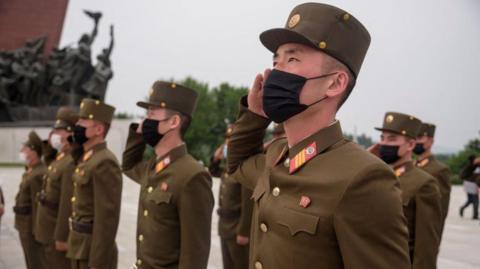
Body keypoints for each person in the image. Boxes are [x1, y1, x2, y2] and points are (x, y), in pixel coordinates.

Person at [227, 3, 411, 268]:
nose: (274, 73)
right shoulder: (277, 156)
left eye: (292, 59)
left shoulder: (363, 178)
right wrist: (255, 116)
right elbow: (237, 164)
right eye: (275, 60)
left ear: (334, 83)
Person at [122, 81, 214, 269]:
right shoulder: (153, 167)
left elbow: (195, 252)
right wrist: (137, 136)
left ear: (174, 122)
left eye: (151, 114)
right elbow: (128, 165)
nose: (145, 122)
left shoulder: (192, 175)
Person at [370, 112, 442, 269]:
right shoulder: (377, 176)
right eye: (382, 138)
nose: (384, 144)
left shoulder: (424, 184)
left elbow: (426, 247)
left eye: (392, 139)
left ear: (410, 145)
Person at [66, 98, 122, 269]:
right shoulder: (87, 157)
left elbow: (107, 220)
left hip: (92, 252)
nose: (78, 125)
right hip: (79, 245)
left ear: (99, 129)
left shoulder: (105, 162)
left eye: (83, 121)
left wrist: (98, 262)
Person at [35, 107, 78, 268]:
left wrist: (62, 237)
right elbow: (49, 164)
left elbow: (67, 203)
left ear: (70, 134)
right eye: (54, 130)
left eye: (59, 131)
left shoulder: (70, 162)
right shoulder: (59, 158)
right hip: (47, 228)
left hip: (55, 231)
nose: (54, 135)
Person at [210, 125, 252, 269]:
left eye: (232, 139)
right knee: (228, 265)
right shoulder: (229, 168)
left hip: (237, 227)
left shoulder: (244, 168)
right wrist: (215, 159)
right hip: (225, 226)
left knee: (241, 265)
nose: (228, 143)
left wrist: (244, 231)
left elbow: (248, 204)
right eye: (227, 139)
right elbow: (213, 172)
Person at [14, 131, 48, 269]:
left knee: (36, 263)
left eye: (25, 149)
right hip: (24, 226)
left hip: (31, 229)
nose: (22, 151)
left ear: (34, 151)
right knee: (30, 262)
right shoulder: (31, 171)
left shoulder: (39, 173)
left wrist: (37, 231)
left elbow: (37, 206)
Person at [414, 122, 451, 238]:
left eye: (419, 138)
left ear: (430, 141)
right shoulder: (411, 165)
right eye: (414, 137)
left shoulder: (439, 170)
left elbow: (438, 214)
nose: (416, 142)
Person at [459, 154, 479, 219]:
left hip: (467, 183)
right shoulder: (473, 166)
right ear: (473, 160)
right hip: (471, 184)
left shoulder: (471, 166)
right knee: (476, 200)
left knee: (470, 200)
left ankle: (462, 208)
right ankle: (475, 216)